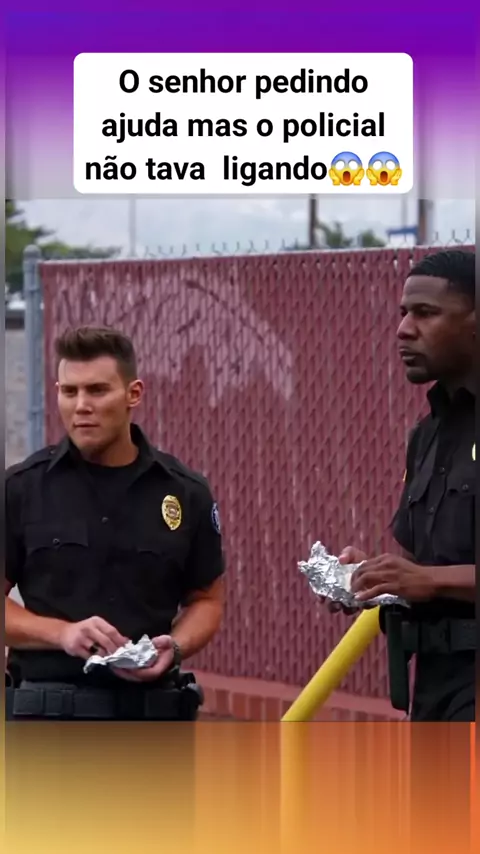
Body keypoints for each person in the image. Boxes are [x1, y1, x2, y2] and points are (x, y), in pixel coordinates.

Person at [5, 326, 225, 720]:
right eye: (69, 391)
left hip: (151, 726)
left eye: (97, 390)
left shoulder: (185, 493)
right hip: (48, 726)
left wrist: (175, 646)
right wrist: (62, 634)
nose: (81, 406)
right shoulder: (21, 488)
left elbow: (206, 600)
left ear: (133, 394)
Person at [338, 249, 475, 721]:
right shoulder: (426, 435)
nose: (403, 329)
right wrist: (378, 576)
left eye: (425, 313)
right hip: (434, 681)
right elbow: (424, 566)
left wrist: (427, 580)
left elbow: (430, 578)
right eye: (403, 313)